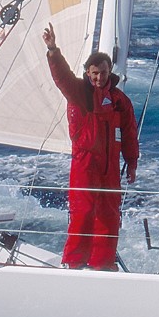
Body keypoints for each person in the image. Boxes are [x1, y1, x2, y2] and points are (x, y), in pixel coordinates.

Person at [43, 22, 139, 271]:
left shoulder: (120, 101)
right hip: (85, 163)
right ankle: (74, 262)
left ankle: (103, 264)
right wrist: (53, 50)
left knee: (109, 216)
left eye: (103, 72)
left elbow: (129, 134)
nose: (99, 77)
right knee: (83, 213)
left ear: (109, 72)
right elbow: (61, 77)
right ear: (87, 72)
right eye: (94, 73)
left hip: (110, 166)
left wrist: (132, 162)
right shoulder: (79, 93)